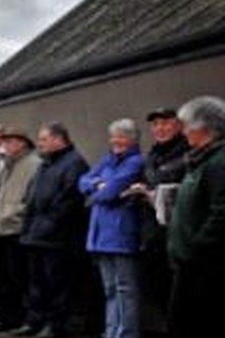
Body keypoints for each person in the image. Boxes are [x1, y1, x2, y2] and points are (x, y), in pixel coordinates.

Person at [15, 122, 90, 337]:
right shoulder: (45, 164)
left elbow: (68, 201)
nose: (40, 144)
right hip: (36, 235)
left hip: (59, 238)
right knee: (37, 283)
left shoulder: (74, 163)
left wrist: (47, 225)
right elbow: (32, 196)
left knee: (58, 283)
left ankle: (56, 324)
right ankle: (36, 320)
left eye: (44, 139)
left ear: (59, 139)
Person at [79, 119, 145, 338]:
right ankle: (110, 331)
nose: (115, 141)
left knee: (125, 289)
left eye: (121, 136)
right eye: (113, 136)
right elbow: (83, 181)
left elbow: (111, 190)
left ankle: (126, 333)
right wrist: (99, 186)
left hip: (121, 235)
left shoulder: (135, 162)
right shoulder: (107, 160)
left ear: (132, 139)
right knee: (109, 289)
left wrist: (98, 191)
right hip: (100, 235)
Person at [167, 96, 225, 338]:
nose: (184, 133)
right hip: (189, 263)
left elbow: (222, 213)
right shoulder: (200, 161)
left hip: (205, 266)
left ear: (203, 128)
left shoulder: (219, 162)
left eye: (187, 126)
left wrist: (195, 247)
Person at [130, 107, 190, 335]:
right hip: (152, 236)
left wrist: (149, 189)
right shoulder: (151, 156)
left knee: (181, 297)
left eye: (165, 123)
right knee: (159, 292)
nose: (160, 129)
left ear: (178, 125)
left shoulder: (187, 153)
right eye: (155, 125)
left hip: (176, 237)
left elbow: (165, 182)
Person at [0, 126, 42, 333]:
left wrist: (13, 214)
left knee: (24, 277)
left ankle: (30, 320)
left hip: (19, 228)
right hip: (4, 228)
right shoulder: (9, 165)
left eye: (9, 141)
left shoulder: (33, 164)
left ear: (21, 143)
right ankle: (11, 318)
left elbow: (31, 198)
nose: (5, 145)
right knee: (8, 278)